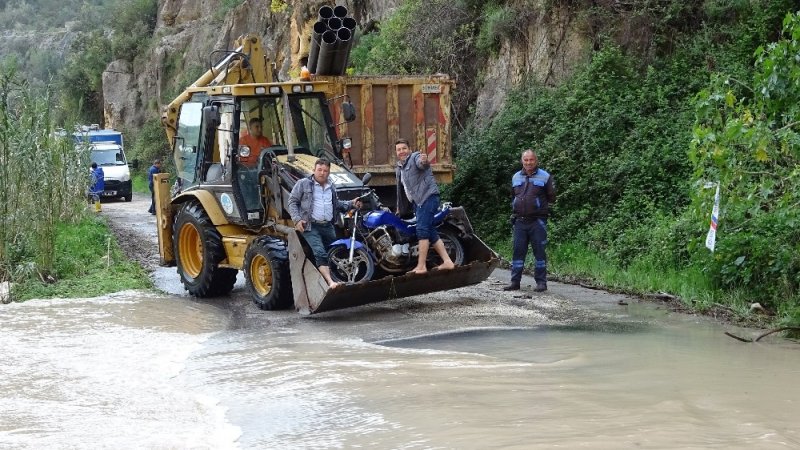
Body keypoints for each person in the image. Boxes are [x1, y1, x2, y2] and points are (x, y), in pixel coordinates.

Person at [288, 159, 361, 289]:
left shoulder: (331, 187)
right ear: (314, 170)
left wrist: (351, 204)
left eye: (325, 171)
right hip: (310, 225)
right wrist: (297, 220)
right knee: (320, 252)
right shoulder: (303, 184)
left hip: (327, 225)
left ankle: (340, 279)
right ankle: (330, 282)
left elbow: (336, 205)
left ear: (329, 172)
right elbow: (292, 201)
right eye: (319, 170)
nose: (322, 173)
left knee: (335, 251)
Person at [394, 138, 455, 274]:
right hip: (418, 202)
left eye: (404, 148)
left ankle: (421, 266)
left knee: (422, 230)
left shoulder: (415, 157)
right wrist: (399, 208)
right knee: (430, 230)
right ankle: (448, 261)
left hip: (428, 198)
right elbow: (400, 190)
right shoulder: (399, 168)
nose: (401, 151)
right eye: (399, 150)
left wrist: (424, 160)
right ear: (396, 152)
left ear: (409, 149)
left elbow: (423, 164)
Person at [504, 149, 556, 292]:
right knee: (517, 252)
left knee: (539, 252)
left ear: (536, 160)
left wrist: (538, 207)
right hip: (519, 221)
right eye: (526, 160)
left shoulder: (545, 176)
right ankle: (515, 282)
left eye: (531, 159)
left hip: (538, 221)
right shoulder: (515, 177)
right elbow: (513, 196)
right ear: (522, 161)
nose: (528, 163)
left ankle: (541, 283)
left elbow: (552, 197)